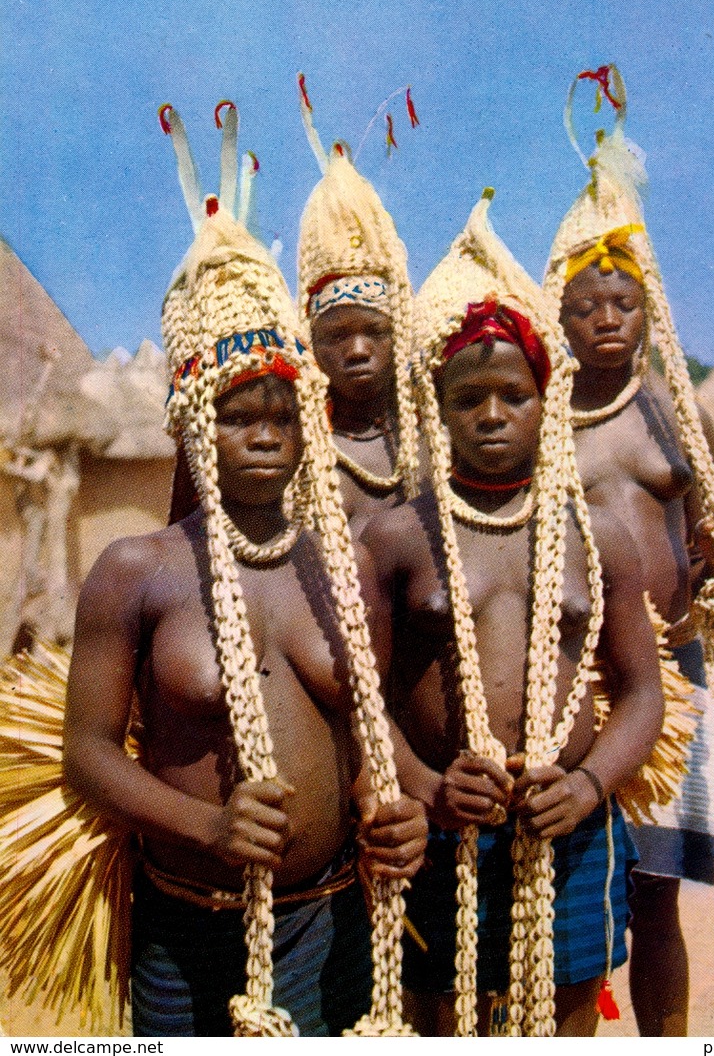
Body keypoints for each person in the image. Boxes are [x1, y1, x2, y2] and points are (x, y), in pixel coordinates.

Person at [63, 104, 426, 1038]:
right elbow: (90, 753)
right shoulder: (137, 571)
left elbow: (367, 730)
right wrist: (206, 830)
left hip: (332, 922)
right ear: (193, 422)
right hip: (187, 930)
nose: (264, 434)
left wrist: (396, 811)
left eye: (281, 413)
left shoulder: (343, 567)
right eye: (235, 413)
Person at [358, 190, 664, 1037]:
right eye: (468, 399)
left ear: (544, 400)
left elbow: (640, 692)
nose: (491, 416)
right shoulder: (395, 538)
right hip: (439, 834)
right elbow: (363, 696)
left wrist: (588, 782)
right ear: (438, 407)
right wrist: (423, 786)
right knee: (439, 1018)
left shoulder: (593, 532)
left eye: (512, 395)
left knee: (569, 1016)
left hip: (569, 829)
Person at [543, 66, 714, 1036]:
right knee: (584, 898)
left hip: (670, 670)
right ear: (559, 314)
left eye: (623, 305)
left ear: (647, 313)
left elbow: (708, 543)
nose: (605, 319)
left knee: (660, 886)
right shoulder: (545, 424)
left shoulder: (677, 417)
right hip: (581, 675)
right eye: (587, 306)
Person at [296, 79, 420, 535]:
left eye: (374, 331)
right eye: (336, 336)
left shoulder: (432, 444)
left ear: (400, 329)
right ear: (309, 338)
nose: (358, 350)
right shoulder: (295, 456)